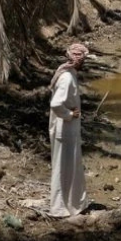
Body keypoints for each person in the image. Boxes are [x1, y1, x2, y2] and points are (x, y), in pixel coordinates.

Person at [49, 43, 88, 217]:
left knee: (68, 168)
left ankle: (71, 205)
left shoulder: (68, 74)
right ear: (77, 59)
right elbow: (56, 103)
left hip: (67, 129)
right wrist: (70, 114)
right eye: (83, 58)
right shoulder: (66, 78)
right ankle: (61, 208)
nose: (84, 62)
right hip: (66, 130)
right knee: (64, 169)